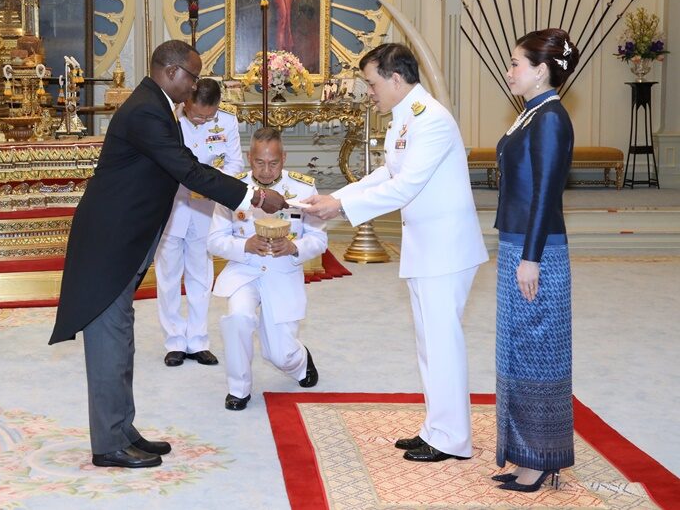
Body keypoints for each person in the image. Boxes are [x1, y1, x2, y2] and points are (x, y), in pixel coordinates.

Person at [49, 40, 287, 469]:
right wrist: (254, 196)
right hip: (109, 244)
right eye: (192, 77)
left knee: (121, 337)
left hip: (123, 240)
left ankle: (122, 430)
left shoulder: (156, 106)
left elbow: (183, 168)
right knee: (108, 341)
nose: (195, 86)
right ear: (173, 71)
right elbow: (187, 169)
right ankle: (108, 444)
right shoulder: (146, 110)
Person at [300, 43, 487, 463]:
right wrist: (338, 196)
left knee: (442, 344)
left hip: (445, 250)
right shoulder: (407, 116)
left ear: (396, 79)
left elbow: (405, 187)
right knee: (429, 343)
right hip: (426, 248)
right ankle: (436, 429)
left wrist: (340, 208)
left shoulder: (431, 120)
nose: (369, 92)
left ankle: (452, 439)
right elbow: (387, 172)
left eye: (372, 83)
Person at [491, 29, 576, 492]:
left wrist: (531, 257)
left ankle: (540, 459)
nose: (509, 71)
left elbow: (546, 192)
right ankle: (523, 453)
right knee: (516, 351)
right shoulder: (531, 113)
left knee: (537, 354)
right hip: (518, 245)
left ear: (541, 70)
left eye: (515, 63)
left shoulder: (551, 118)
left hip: (535, 251)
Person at [208, 128, 325, 411]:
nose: (266, 170)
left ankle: (301, 361)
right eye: (259, 162)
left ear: (284, 158)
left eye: (273, 163)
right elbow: (214, 241)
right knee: (237, 318)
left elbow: (319, 239)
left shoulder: (303, 190)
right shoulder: (233, 189)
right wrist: (244, 245)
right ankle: (239, 389)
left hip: (283, 273)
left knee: (280, 355)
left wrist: (295, 247)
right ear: (250, 158)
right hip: (244, 270)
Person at [155, 78, 243, 368]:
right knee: (168, 277)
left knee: (201, 276)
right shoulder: (168, 120)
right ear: (187, 102)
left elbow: (235, 164)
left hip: (206, 209)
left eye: (208, 117)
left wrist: (211, 186)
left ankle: (198, 340)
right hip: (172, 206)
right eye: (197, 115)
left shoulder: (227, 122)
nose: (202, 120)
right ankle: (174, 342)